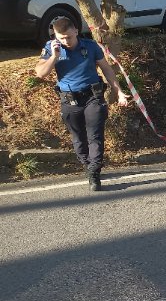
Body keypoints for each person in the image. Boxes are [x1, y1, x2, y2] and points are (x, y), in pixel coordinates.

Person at [33, 18, 130, 191]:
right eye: (61, 38)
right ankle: (88, 165)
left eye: (69, 37)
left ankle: (94, 172)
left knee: (95, 135)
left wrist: (119, 92)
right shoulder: (51, 48)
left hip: (93, 96)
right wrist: (54, 57)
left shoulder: (90, 46)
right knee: (78, 139)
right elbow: (40, 73)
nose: (66, 41)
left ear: (76, 31)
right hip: (70, 100)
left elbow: (106, 68)